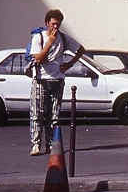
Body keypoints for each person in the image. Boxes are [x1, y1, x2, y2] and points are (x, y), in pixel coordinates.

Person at [28, 9, 85, 156]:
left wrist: (69, 64)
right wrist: (49, 43)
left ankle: (51, 144)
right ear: (47, 23)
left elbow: (81, 50)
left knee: (53, 115)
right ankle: (36, 144)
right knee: (37, 114)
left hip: (57, 79)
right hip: (40, 80)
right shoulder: (39, 38)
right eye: (53, 24)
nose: (55, 27)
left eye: (58, 24)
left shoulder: (64, 38)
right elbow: (38, 58)